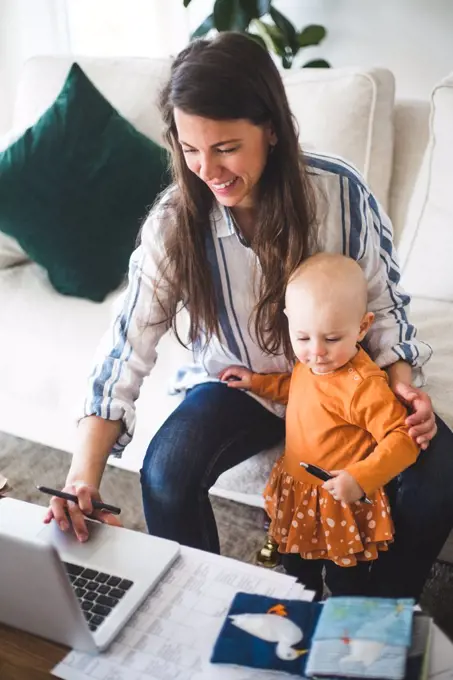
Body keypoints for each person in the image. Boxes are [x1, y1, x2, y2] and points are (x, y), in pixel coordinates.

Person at [44, 32, 453, 599]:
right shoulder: (174, 221)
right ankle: (199, 609)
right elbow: (126, 346)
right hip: (242, 385)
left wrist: (405, 389)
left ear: (273, 129)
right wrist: (80, 477)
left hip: (340, 383)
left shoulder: (341, 195)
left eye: (226, 147)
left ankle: (371, 616)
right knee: (165, 472)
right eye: (190, 148)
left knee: (438, 477)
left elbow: (385, 313)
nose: (206, 169)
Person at [219, 253, 420, 597]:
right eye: (304, 338)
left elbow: (403, 439)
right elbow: (296, 391)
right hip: (298, 491)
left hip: (340, 498)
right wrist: (256, 382)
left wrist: (361, 479)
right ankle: (302, 608)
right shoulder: (306, 364)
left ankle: (341, 626)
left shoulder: (362, 384)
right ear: (289, 323)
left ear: (362, 326)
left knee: (345, 580)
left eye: (331, 339)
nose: (317, 352)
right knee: (296, 570)